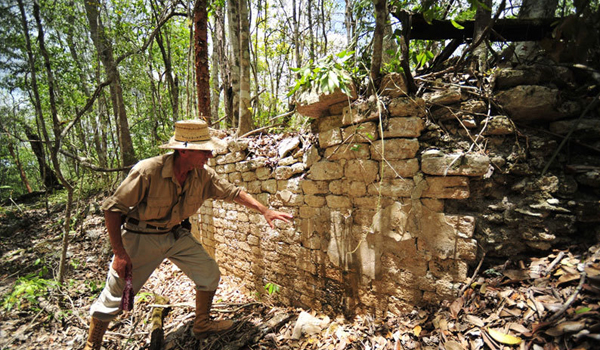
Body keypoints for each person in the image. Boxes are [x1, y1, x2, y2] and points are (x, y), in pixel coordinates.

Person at [83, 119, 293, 350]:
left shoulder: (203, 175)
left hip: (175, 234)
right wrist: (120, 253)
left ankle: (202, 324)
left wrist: (264, 209)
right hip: (140, 236)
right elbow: (112, 209)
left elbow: (233, 193)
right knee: (116, 294)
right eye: (204, 150)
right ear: (183, 151)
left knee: (209, 273)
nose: (210, 155)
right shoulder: (147, 171)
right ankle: (92, 344)